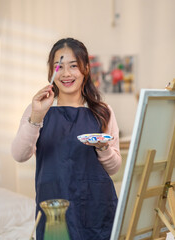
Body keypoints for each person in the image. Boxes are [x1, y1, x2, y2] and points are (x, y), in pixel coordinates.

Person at [11, 38, 122, 240]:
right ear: (51, 71)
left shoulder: (102, 112)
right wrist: (36, 116)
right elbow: (19, 155)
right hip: (54, 209)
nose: (66, 73)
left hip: (97, 208)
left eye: (73, 66)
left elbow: (114, 169)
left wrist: (104, 148)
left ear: (86, 69)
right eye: (59, 67)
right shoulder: (38, 109)